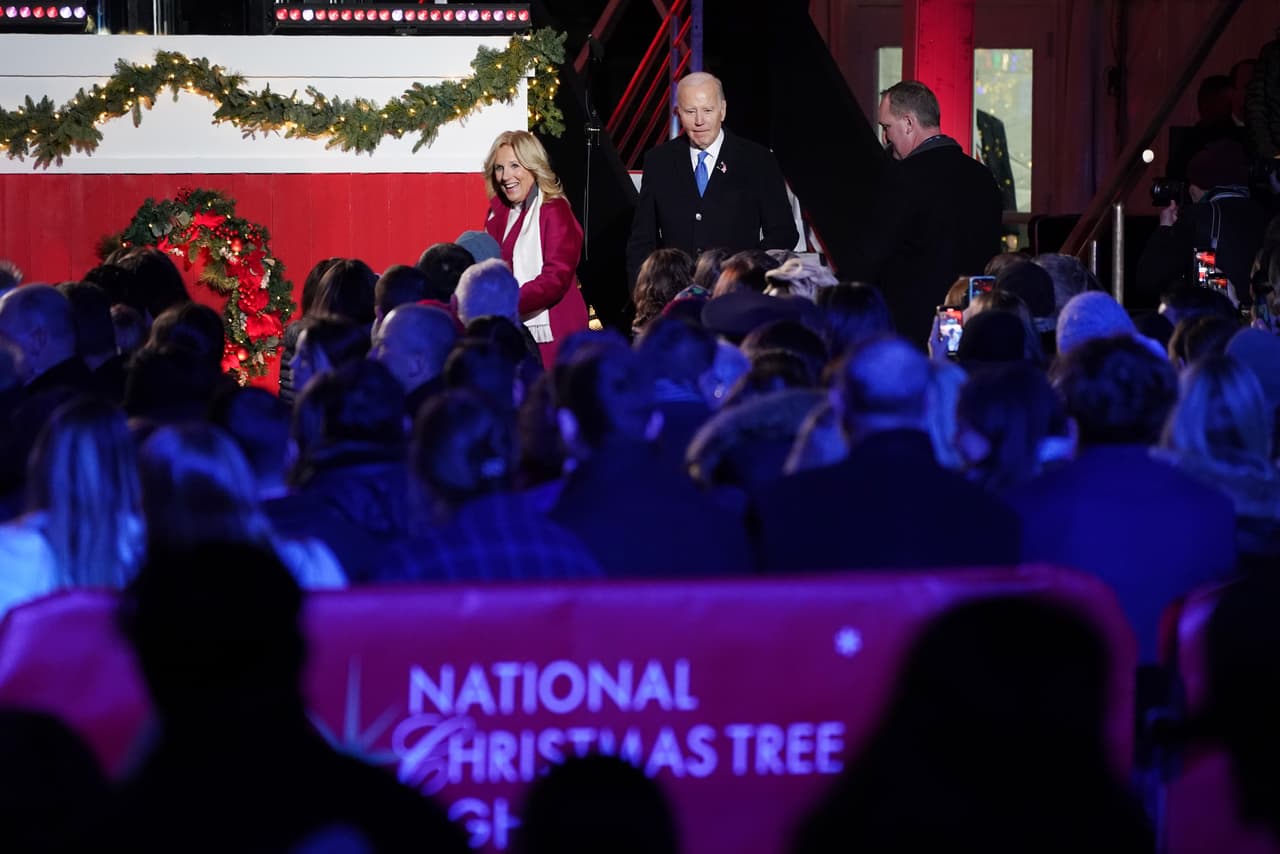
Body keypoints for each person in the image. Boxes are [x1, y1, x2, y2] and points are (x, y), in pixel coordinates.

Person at [848, 81, 1003, 348]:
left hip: (913, 332)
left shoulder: (901, 179)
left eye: (887, 127)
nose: (885, 138)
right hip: (975, 322)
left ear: (908, 122)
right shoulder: (983, 176)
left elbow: (872, 256)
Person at [625, 71, 798, 286]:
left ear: (722, 110)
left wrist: (745, 273)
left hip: (737, 292)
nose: (699, 121)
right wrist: (643, 294)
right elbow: (642, 241)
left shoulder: (757, 160)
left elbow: (784, 233)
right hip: (675, 295)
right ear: (677, 113)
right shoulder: (659, 161)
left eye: (707, 110)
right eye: (690, 111)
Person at [482, 130, 589, 367]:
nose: (505, 176)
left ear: (533, 166)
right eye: (499, 168)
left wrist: (507, 302)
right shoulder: (499, 213)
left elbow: (556, 279)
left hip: (556, 332)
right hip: (514, 328)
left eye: (514, 166)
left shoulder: (554, 210)